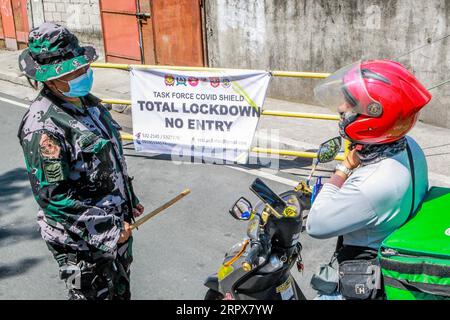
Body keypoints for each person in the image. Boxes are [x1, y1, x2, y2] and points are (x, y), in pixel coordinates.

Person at [17, 22, 144, 300]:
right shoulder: (43, 127)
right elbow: (54, 198)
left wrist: (128, 199)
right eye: (74, 71)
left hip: (116, 233)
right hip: (80, 245)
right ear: (50, 79)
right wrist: (108, 229)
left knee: (120, 292)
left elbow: (109, 157)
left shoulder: (88, 102)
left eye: (83, 67)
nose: (83, 73)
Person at [306, 60, 431, 299]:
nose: (341, 107)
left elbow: (316, 225)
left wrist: (343, 169)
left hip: (364, 272)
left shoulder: (372, 184)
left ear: (375, 115)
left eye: (351, 103)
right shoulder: (408, 147)